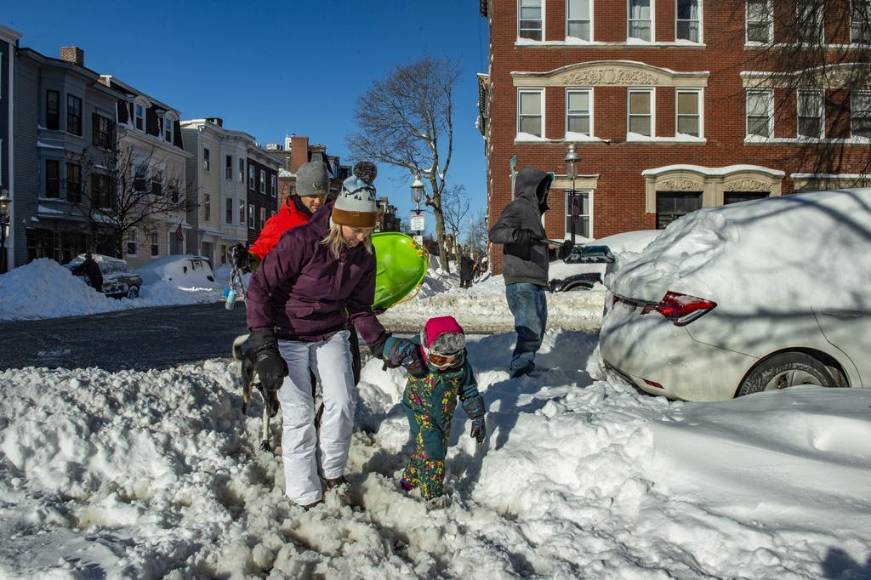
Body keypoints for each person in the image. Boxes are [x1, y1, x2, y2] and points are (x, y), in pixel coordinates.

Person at [245, 167, 417, 509]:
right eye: (356, 230)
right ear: (339, 220)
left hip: (330, 331)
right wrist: (264, 347)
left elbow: (360, 307)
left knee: (342, 400)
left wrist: (381, 342)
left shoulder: (364, 254)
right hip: (285, 332)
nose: (361, 238)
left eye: (368, 231)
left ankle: (332, 471)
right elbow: (259, 288)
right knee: (300, 411)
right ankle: (303, 494)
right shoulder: (301, 242)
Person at [383, 315, 485, 502]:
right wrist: (397, 352)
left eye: (453, 359)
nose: (447, 365)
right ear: (427, 349)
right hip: (418, 411)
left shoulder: (461, 367)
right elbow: (389, 346)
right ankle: (432, 497)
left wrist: (477, 415)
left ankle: (409, 480)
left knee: (430, 448)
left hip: (443, 416)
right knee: (434, 451)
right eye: (439, 360)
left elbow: (469, 390)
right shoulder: (416, 354)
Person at [488, 168, 553, 378]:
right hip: (521, 280)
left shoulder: (533, 213)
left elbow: (535, 248)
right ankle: (520, 372)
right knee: (529, 328)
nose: (546, 193)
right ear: (532, 189)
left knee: (537, 327)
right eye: (543, 189)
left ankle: (525, 365)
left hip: (533, 280)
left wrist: (560, 251)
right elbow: (496, 233)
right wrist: (517, 234)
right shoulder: (518, 207)